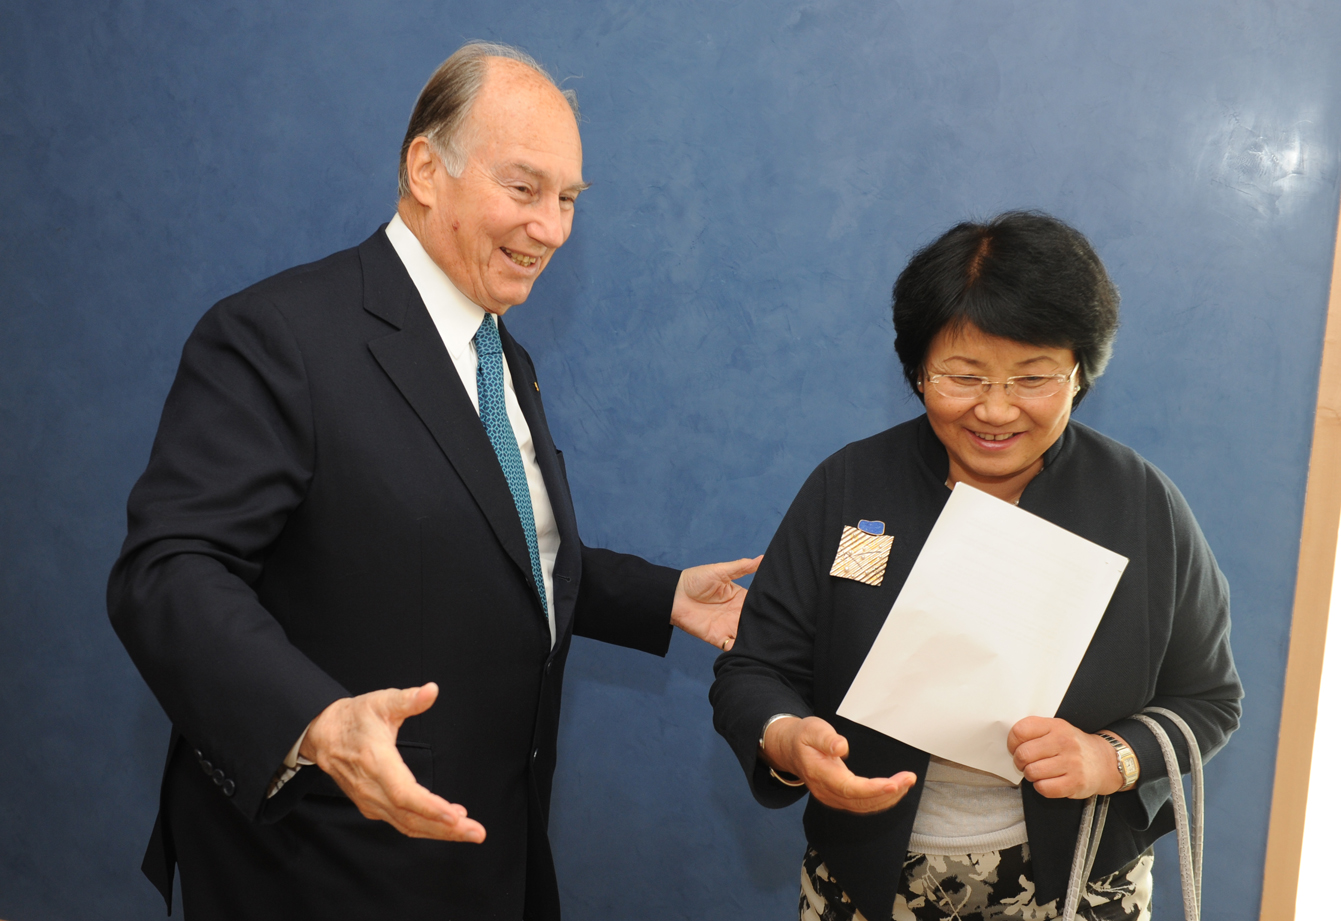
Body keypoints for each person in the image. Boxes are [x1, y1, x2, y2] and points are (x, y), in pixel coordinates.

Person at [108, 42, 758, 921]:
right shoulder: (276, 336)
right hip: (319, 864)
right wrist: (318, 723)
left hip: (486, 856)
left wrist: (661, 596)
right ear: (425, 168)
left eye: (568, 199)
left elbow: (483, 541)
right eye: (524, 189)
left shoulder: (502, 355)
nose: (554, 229)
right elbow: (168, 570)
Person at [710, 211, 1242, 921]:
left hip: (1079, 882)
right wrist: (787, 738)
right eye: (962, 376)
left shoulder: (1141, 503)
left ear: (1079, 371)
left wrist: (1108, 756)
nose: (994, 410)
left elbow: (1208, 699)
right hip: (867, 880)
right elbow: (752, 670)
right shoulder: (849, 486)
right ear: (916, 370)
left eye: (1032, 378)